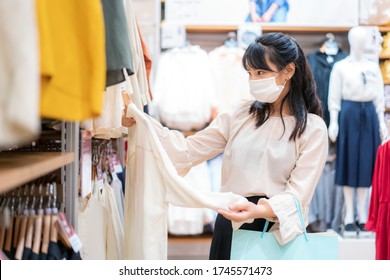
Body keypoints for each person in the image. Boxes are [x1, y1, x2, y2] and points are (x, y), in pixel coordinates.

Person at [122, 33, 328, 260]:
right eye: (250, 74)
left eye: (260, 72)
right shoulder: (240, 114)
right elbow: (188, 151)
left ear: (288, 71)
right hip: (230, 221)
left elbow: (298, 194)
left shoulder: (312, 128)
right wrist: (143, 123)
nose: (253, 81)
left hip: (275, 229)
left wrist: (260, 210)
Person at [327, 26, 388, 236]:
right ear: (351, 41)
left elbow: (379, 97)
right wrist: (333, 121)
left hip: (369, 114)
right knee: (348, 162)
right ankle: (348, 217)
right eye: (357, 39)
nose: (361, 42)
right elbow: (333, 97)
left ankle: (363, 216)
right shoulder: (341, 67)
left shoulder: (372, 67)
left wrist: (381, 122)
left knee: (366, 164)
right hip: (349, 113)